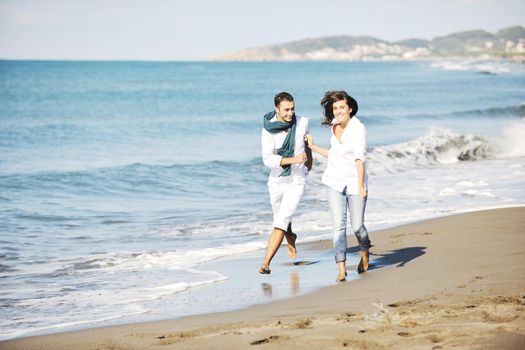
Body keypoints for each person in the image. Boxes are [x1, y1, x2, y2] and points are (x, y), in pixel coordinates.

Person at [305, 90, 371, 282]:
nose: (338, 111)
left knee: (357, 226)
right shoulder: (334, 126)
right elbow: (335, 154)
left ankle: (364, 249)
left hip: (354, 181)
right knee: (338, 226)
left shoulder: (358, 129)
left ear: (350, 108)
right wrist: (313, 147)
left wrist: (360, 185)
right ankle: (341, 268)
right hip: (334, 180)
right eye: (335, 108)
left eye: (342, 107)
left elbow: (359, 158)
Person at [259, 92, 312, 274]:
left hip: (297, 180)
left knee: (280, 221)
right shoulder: (268, 130)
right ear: (277, 109)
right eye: (286, 110)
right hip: (276, 182)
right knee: (281, 219)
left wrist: (307, 165)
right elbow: (268, 159)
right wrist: (293, 160)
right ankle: (290, 237)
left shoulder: (303, 122)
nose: (291, 113)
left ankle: (266, 263)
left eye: (292, 109)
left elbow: (306, 144)